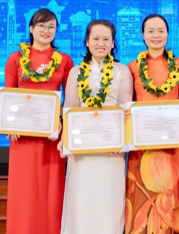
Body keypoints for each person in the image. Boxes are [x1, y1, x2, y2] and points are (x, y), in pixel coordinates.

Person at [3, 8, 74, 234]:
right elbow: (8, 94)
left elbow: (71, 99)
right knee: (24, 191)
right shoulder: (16, 58)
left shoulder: (64, 60)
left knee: (51, 192)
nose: (46, 30)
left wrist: (62, 121)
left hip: (52, 137)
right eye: (41, 26)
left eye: (51, 27)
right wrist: (9, 124)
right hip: (23, 137)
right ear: (31, 28)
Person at [59, 20, 132, 233]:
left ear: (113, 43)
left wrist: (122, 141)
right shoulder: (75, 72)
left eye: (106, 39)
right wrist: (66, 141)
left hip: (112, 149)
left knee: (109, 201)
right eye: (96, 39)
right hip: (82, 149)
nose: (101, 43)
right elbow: (69, 110)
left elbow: (125, 109)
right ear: (87, 42)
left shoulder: (122, 71)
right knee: (81, 199)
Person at [125, 14, 179, 234]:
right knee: (141, 201)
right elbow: (128, 107)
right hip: (142, 147)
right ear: (142, 35)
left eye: (161, 31)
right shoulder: (133, 67)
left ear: (168, 34)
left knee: (171, 200)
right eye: (151, 31)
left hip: (173, 146)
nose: (156, 35)